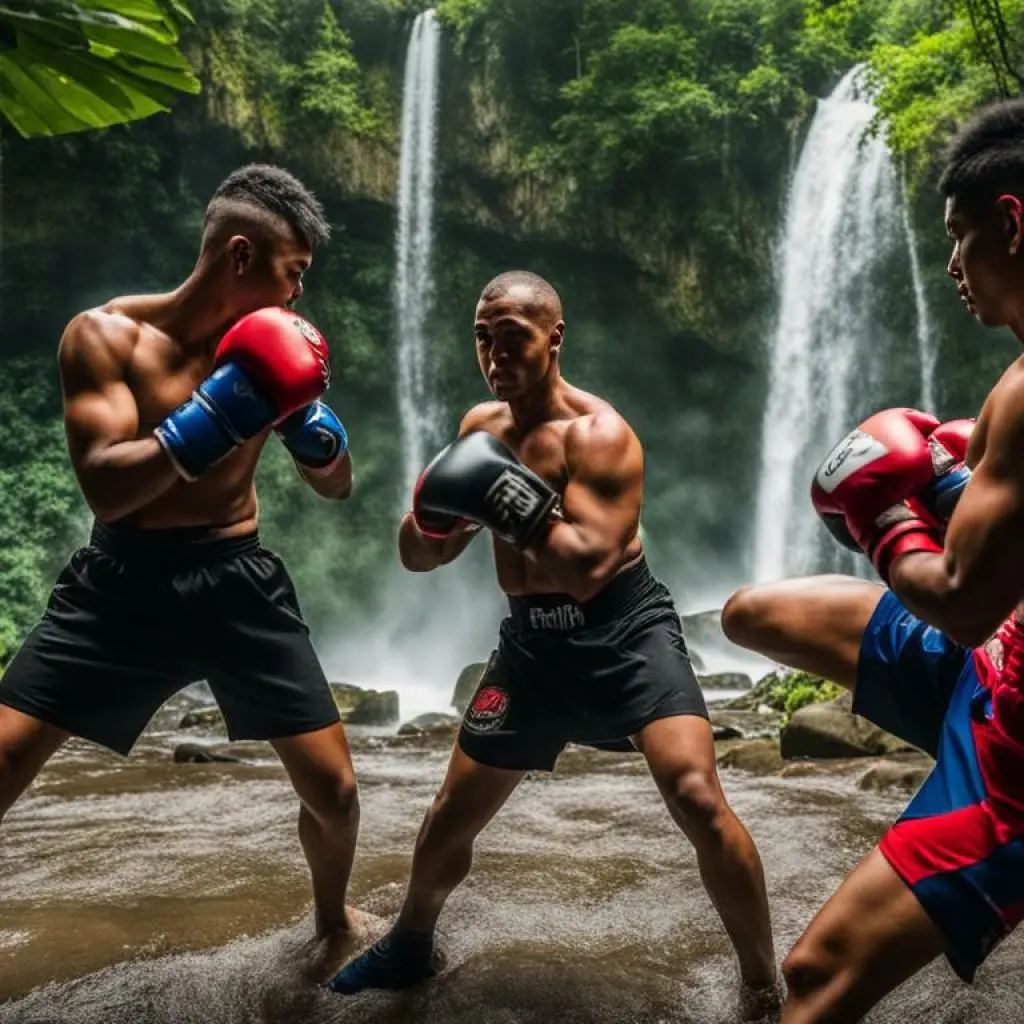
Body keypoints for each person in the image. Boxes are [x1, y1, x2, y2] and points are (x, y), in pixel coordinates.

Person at [328, 270, 779, 1018]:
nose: (496, 354)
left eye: (514, 337)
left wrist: (504, 494)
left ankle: (763, 982)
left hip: (626, 632)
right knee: (447, 817)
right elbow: (420, 557)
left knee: (698, 797)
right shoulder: (481, 431)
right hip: (532, 649)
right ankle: (411, 941)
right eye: (483, 337)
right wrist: (437, 510)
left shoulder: (601, 435)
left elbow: (589, 568)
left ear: (554, 338)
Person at [0, 164, 360, 963]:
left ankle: (333, 923)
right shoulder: (104, 336)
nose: (298, 296)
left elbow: (336, 488)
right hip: (123, 583)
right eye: (291, 273)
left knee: (335, 793)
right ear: (240, 255)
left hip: (237, 579)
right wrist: (221, 414)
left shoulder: (278, 351)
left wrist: (314, 434)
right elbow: (107, 487)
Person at [721, 98, 1024, 1023]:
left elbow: (965, 602)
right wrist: (944, 485)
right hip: (996, 663)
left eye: (961, 237)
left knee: (813, 983)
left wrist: (885, 511)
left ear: (1012, 222)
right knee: (749, 614)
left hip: (1014, 745)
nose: (951, 264)